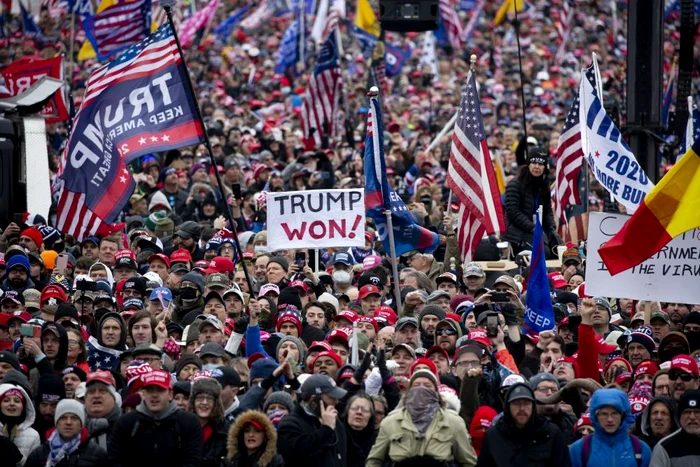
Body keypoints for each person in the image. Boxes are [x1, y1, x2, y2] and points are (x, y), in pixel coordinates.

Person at [367, 369, 477, 466]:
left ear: (436, 392)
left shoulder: (453, 422)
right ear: (409, 391)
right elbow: (374, 460)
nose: (421, 389)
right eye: (416, 385)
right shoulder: (390, 422)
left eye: (427, 386)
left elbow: (469, 462)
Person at [108, 370, 203, 466]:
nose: (154, 395)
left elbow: (193, 461)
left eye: (160, 390)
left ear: (170, 395)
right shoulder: (125, 423)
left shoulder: (189, 422)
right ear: (143, 394)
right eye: (150, 390)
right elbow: (116, 461)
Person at [477, 383, 569, 466]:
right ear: (508, 406)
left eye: (526, 403)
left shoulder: (551, 433)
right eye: (516, 403)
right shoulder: (494, 436)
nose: (522, 408)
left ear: (533, 405)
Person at [277, 374, 348, 466]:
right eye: (331, 397)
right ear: (314, 399)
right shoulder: (289, 424)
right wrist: (326, 429)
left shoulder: (335, 421)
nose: (336, 401)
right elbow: (299, 454)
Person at [569, 388, 652, 467]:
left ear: (623, 415)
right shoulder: (578, 450)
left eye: (615, 413)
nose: (610, 419)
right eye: (604, 414)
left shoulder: (641, 449)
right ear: (595, 416)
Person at [502, 147, 557, 256]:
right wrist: (533, 228)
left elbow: (547, 211)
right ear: (528, 164)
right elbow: (513, 212)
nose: (537, 166)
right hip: (518, 234)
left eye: (540, 164)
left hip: (537, 231)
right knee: (544, 253)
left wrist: (552, 230)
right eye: (534, 162)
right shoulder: (515, 184)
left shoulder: (544, 184)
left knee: (557, 250)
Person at [25, 399, 108, 467]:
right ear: (56, 423)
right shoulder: (39, 454)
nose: (68, 422)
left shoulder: (98, 454)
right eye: (63, 418)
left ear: (81, 424)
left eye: (74, 418)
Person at [650, 389, 700, 465]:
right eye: (687, 412)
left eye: (697, 412)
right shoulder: (664, 448)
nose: (692, 417)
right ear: (679, 416)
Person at [189, 377, 228, 467]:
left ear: (216, 403)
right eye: (200, 398)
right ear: (193, 401)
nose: (204, 402)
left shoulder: (226, 430)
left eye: (210, 398)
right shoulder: (183, 427)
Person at [0, 382, 41, 466]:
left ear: (23, 407)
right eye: (6, 400)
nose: (12, 404)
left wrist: (19, 458)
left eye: (17, 401)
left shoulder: (33, 435)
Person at [342, 393, 377, 467]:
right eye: (354, 408)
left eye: (365, 410)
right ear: (347, 411)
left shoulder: (378, 440)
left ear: (371, 415)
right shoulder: (336, 435)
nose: (359, 412)